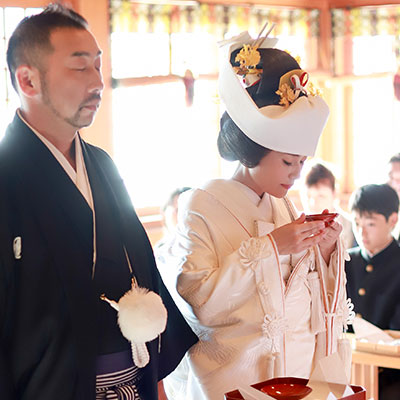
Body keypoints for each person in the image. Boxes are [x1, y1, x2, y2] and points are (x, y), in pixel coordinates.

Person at [0, 5, 197, 400]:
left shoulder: (103, 166)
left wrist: (156, 386)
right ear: (28, 80)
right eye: (79, 68)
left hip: (133, 384)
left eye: (99, 66)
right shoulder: (6, 181)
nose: (98, 83)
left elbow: (143, 275)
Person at [156, 29, 351, 399]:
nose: (296, 173)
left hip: (293, 376)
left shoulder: (284, 205)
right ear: (253, 148)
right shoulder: (200, 204)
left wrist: (323, 252)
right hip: (234, 377)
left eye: (302, 162)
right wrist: (268, 248)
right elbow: (199, 301)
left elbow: (300, 294)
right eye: (287, 162)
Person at [345, 184, 400, 400]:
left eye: (370, 223)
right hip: (349, 364)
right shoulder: (346, 260)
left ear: (393, 220)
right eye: (357, 223)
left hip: (390, 372)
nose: (361, 232)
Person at [301, 161, 356, 249]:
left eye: (321, 196)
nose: (313, 203)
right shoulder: (296, 226)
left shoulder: (351, 227)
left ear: (334, 194)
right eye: (308, 196)